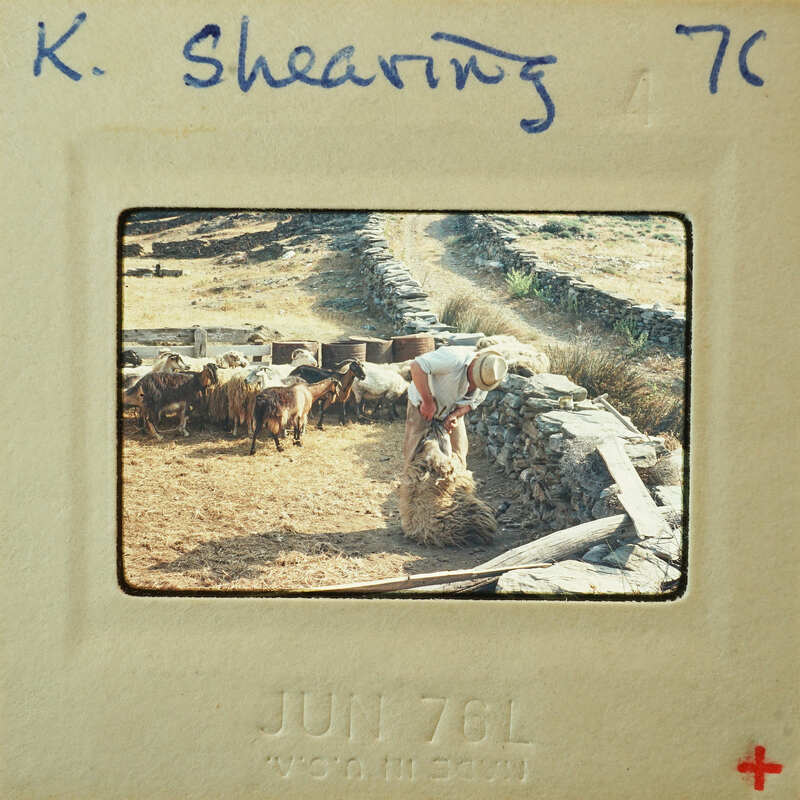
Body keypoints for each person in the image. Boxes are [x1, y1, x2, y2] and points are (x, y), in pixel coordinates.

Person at [403, 346, 508, 468]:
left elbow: (471, 403)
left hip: (451, 409)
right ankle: (413, 482)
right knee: (415, 452)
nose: (474, 384)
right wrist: (428, 402)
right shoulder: (453, 358)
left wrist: (454, 416)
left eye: (478, 383)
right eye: (474, 378)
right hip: (423, 403)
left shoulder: (487, 379)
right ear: (475, 363)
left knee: (459, 451)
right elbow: (417, 366)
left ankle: (454, 482)